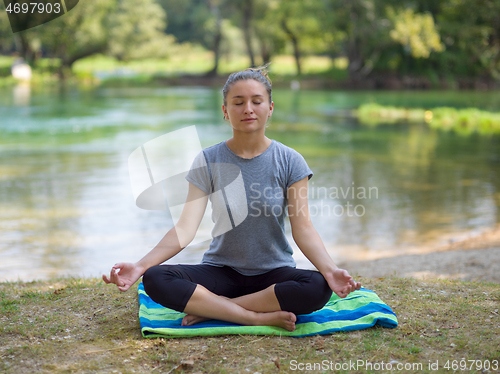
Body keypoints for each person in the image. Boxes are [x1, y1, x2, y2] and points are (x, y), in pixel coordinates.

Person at [103, 66, 361, 332]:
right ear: (225, 111)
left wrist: (330, 271)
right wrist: (140, 265)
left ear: (270, 108)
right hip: (221, 270)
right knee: (156, 278)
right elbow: (185, 228)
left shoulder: (290, 161)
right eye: (238, 103)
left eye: (256, 101)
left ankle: (215, 308)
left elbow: (303, 228)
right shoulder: (208, 159)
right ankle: (253, 316)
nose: (248, 109)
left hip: (273, 274)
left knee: (317, 287)